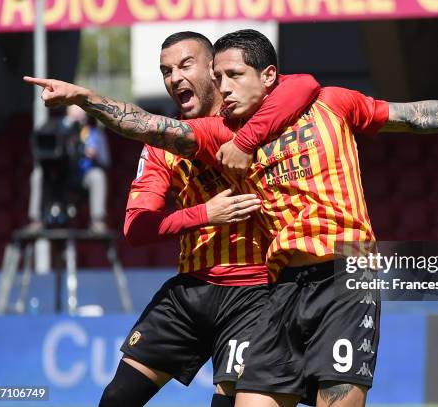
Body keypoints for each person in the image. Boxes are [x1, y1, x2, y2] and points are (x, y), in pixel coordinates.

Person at [24, 29, 438, 407]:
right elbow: (147, 126)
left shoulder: (332, 102)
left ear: (269, 77)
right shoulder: (220, 136)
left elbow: (414, 116)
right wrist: (90, 100)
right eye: (219, 78)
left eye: (232, 76)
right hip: (279, 285)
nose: (223, 88)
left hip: (347, 273)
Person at [97, 32, 320, 407]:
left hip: (254, 294)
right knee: (117, 397)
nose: (173, 78)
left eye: (185, 65)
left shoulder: (257, 122)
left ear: (214, 71)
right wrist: (204, 214)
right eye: (166, 71)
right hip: (189, 292)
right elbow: (136, 229)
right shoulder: (162, 142)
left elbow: (306, 84)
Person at [28, 105, 110, 232]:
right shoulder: (54, 127)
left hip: (80, 176)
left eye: (80, 108)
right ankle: (36, 220)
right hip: (56, 175)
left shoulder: (94, 134)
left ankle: (97, 221)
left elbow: (106, 162)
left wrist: (94, 155)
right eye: (74, 108)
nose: (77, 112)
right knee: (37, 175)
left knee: (97, 176)